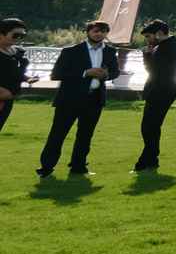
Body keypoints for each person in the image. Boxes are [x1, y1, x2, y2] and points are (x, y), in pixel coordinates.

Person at [40, 18, 122, 177]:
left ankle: (79, 166)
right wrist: (85, 73)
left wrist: (107, 75)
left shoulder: (110, 51)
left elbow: (115, 72)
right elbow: (55, 74)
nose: (99, 34)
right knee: (58, 134)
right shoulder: (72, 51)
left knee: (85, 135)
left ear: (106, 34)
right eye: (95, 31)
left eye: (102, 32)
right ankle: (46, 168)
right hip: (69, 99)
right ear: (87, 33)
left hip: (94, 98)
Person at [133, 19, 176, 171]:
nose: (149, 40)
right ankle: (152, 159)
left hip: (163, 90)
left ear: (159, 33)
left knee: (151, 127)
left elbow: (153, 70)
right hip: (160, 89)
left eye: (149, 36)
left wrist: (147, 55)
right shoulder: (166, 46)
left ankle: (145, 161)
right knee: (149, 126)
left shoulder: (170, 47)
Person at [0, 17, 28, 136]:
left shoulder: (16, 51)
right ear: (1, 34)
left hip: (7, 98)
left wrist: (26, 77)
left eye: (22, 35)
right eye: (15, 35)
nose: (19, 38)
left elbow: (9, 71)